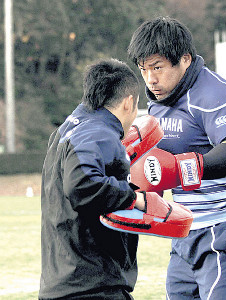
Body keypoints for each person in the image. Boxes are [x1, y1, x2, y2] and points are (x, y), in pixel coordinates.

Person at [128, 17, 226, 300]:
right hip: (185, 232)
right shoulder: (159, 97)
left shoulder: (214, 93)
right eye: (143, 69)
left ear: (185, 59)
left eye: (157, 67)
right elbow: (159, 165)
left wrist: (181, 168)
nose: (150, 79)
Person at [39, 58, 146, 300]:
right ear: (129, 103)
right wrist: (134, 198)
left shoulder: (65, 130)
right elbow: (82, 184)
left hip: (62, 282)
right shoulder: (99, 132)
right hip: (93, 286)